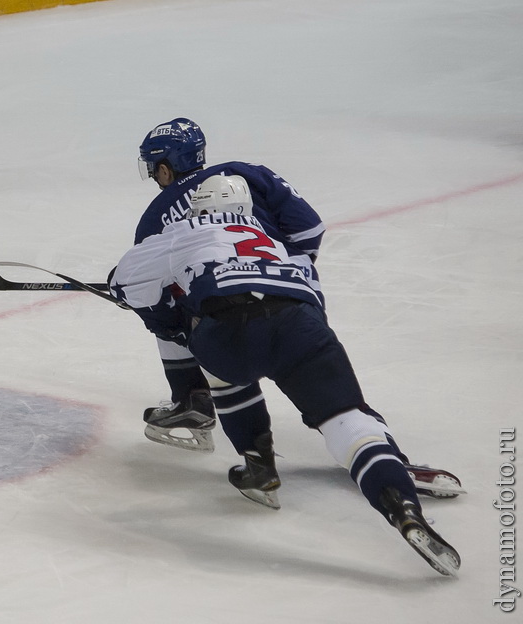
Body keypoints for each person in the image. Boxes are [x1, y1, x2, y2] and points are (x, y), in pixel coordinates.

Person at [109, 175, 461, 576]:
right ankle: (403, 508)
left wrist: (172, 315)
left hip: (228, 333)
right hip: (302, 328)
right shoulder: (278, 244)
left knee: (218, 356)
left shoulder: (187, 229)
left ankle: (257, 462)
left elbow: (124, 281)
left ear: (199, 209)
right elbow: (312, 302)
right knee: (348, 421)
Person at [130, 119, 462, 502]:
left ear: (165, 168)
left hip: (226, 330)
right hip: (295, 297)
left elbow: (161, 295)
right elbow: (308, 231)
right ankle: (382, 454)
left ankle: (195, 402)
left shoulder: (154, 219)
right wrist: (275, 270)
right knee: (329, 390)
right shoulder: (246, 174)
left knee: (194, 323)